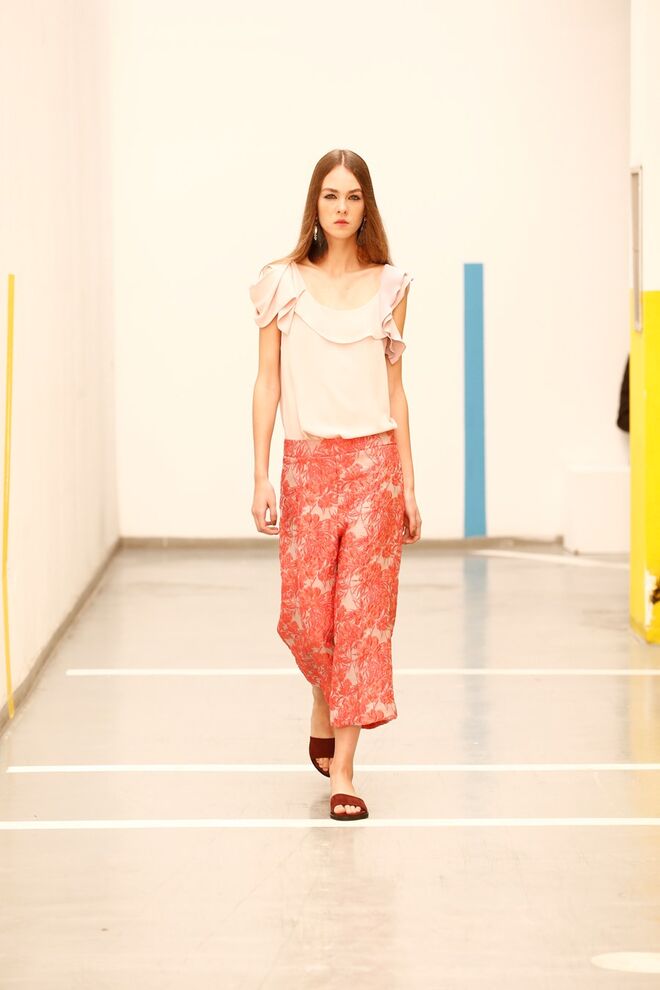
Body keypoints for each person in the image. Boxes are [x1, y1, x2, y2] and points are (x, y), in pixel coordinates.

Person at [249, 149, 422, 821]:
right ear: (315, 205)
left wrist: (409, 485)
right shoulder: (281, 283)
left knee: (361, 621)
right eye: (331, 196)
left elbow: (396, 391)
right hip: (308, 469)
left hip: (375, 469)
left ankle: (344, 773)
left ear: (366, 205)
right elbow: (267, 381)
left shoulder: (392, 286)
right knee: (305, 619)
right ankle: (323, 697)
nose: (342, 207)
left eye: (353, 196)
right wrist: (260, 474)